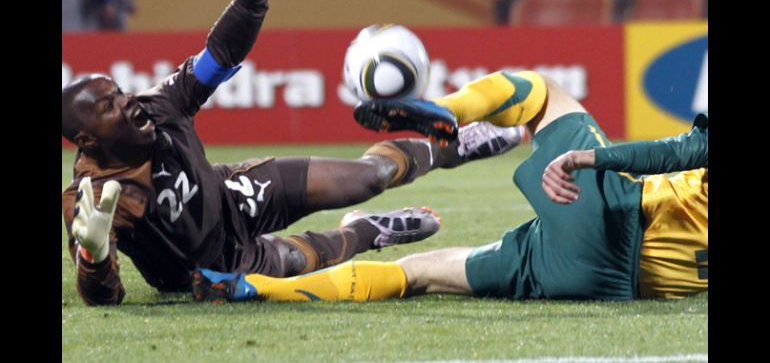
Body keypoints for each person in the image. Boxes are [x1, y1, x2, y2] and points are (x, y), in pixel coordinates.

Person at [63, 0, 526, 306]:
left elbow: (219, 57)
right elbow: (105, 297)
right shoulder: (90, 200)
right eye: (110, 106)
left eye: (119, 92)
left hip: (232, 194)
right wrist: (94, 254)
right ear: (87, 140)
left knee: (368, 177)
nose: (127, 102)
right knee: (298, 259)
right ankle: (365, 232)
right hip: (212, 266)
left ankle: (452, 146)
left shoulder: (157, 106)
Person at [192, 70, 707, 302]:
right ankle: (253, 288)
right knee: (417, 274)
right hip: (602, 284)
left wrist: (591, 157)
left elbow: (676, 153)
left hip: (612, 217)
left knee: (542, 92)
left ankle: (444, 112)